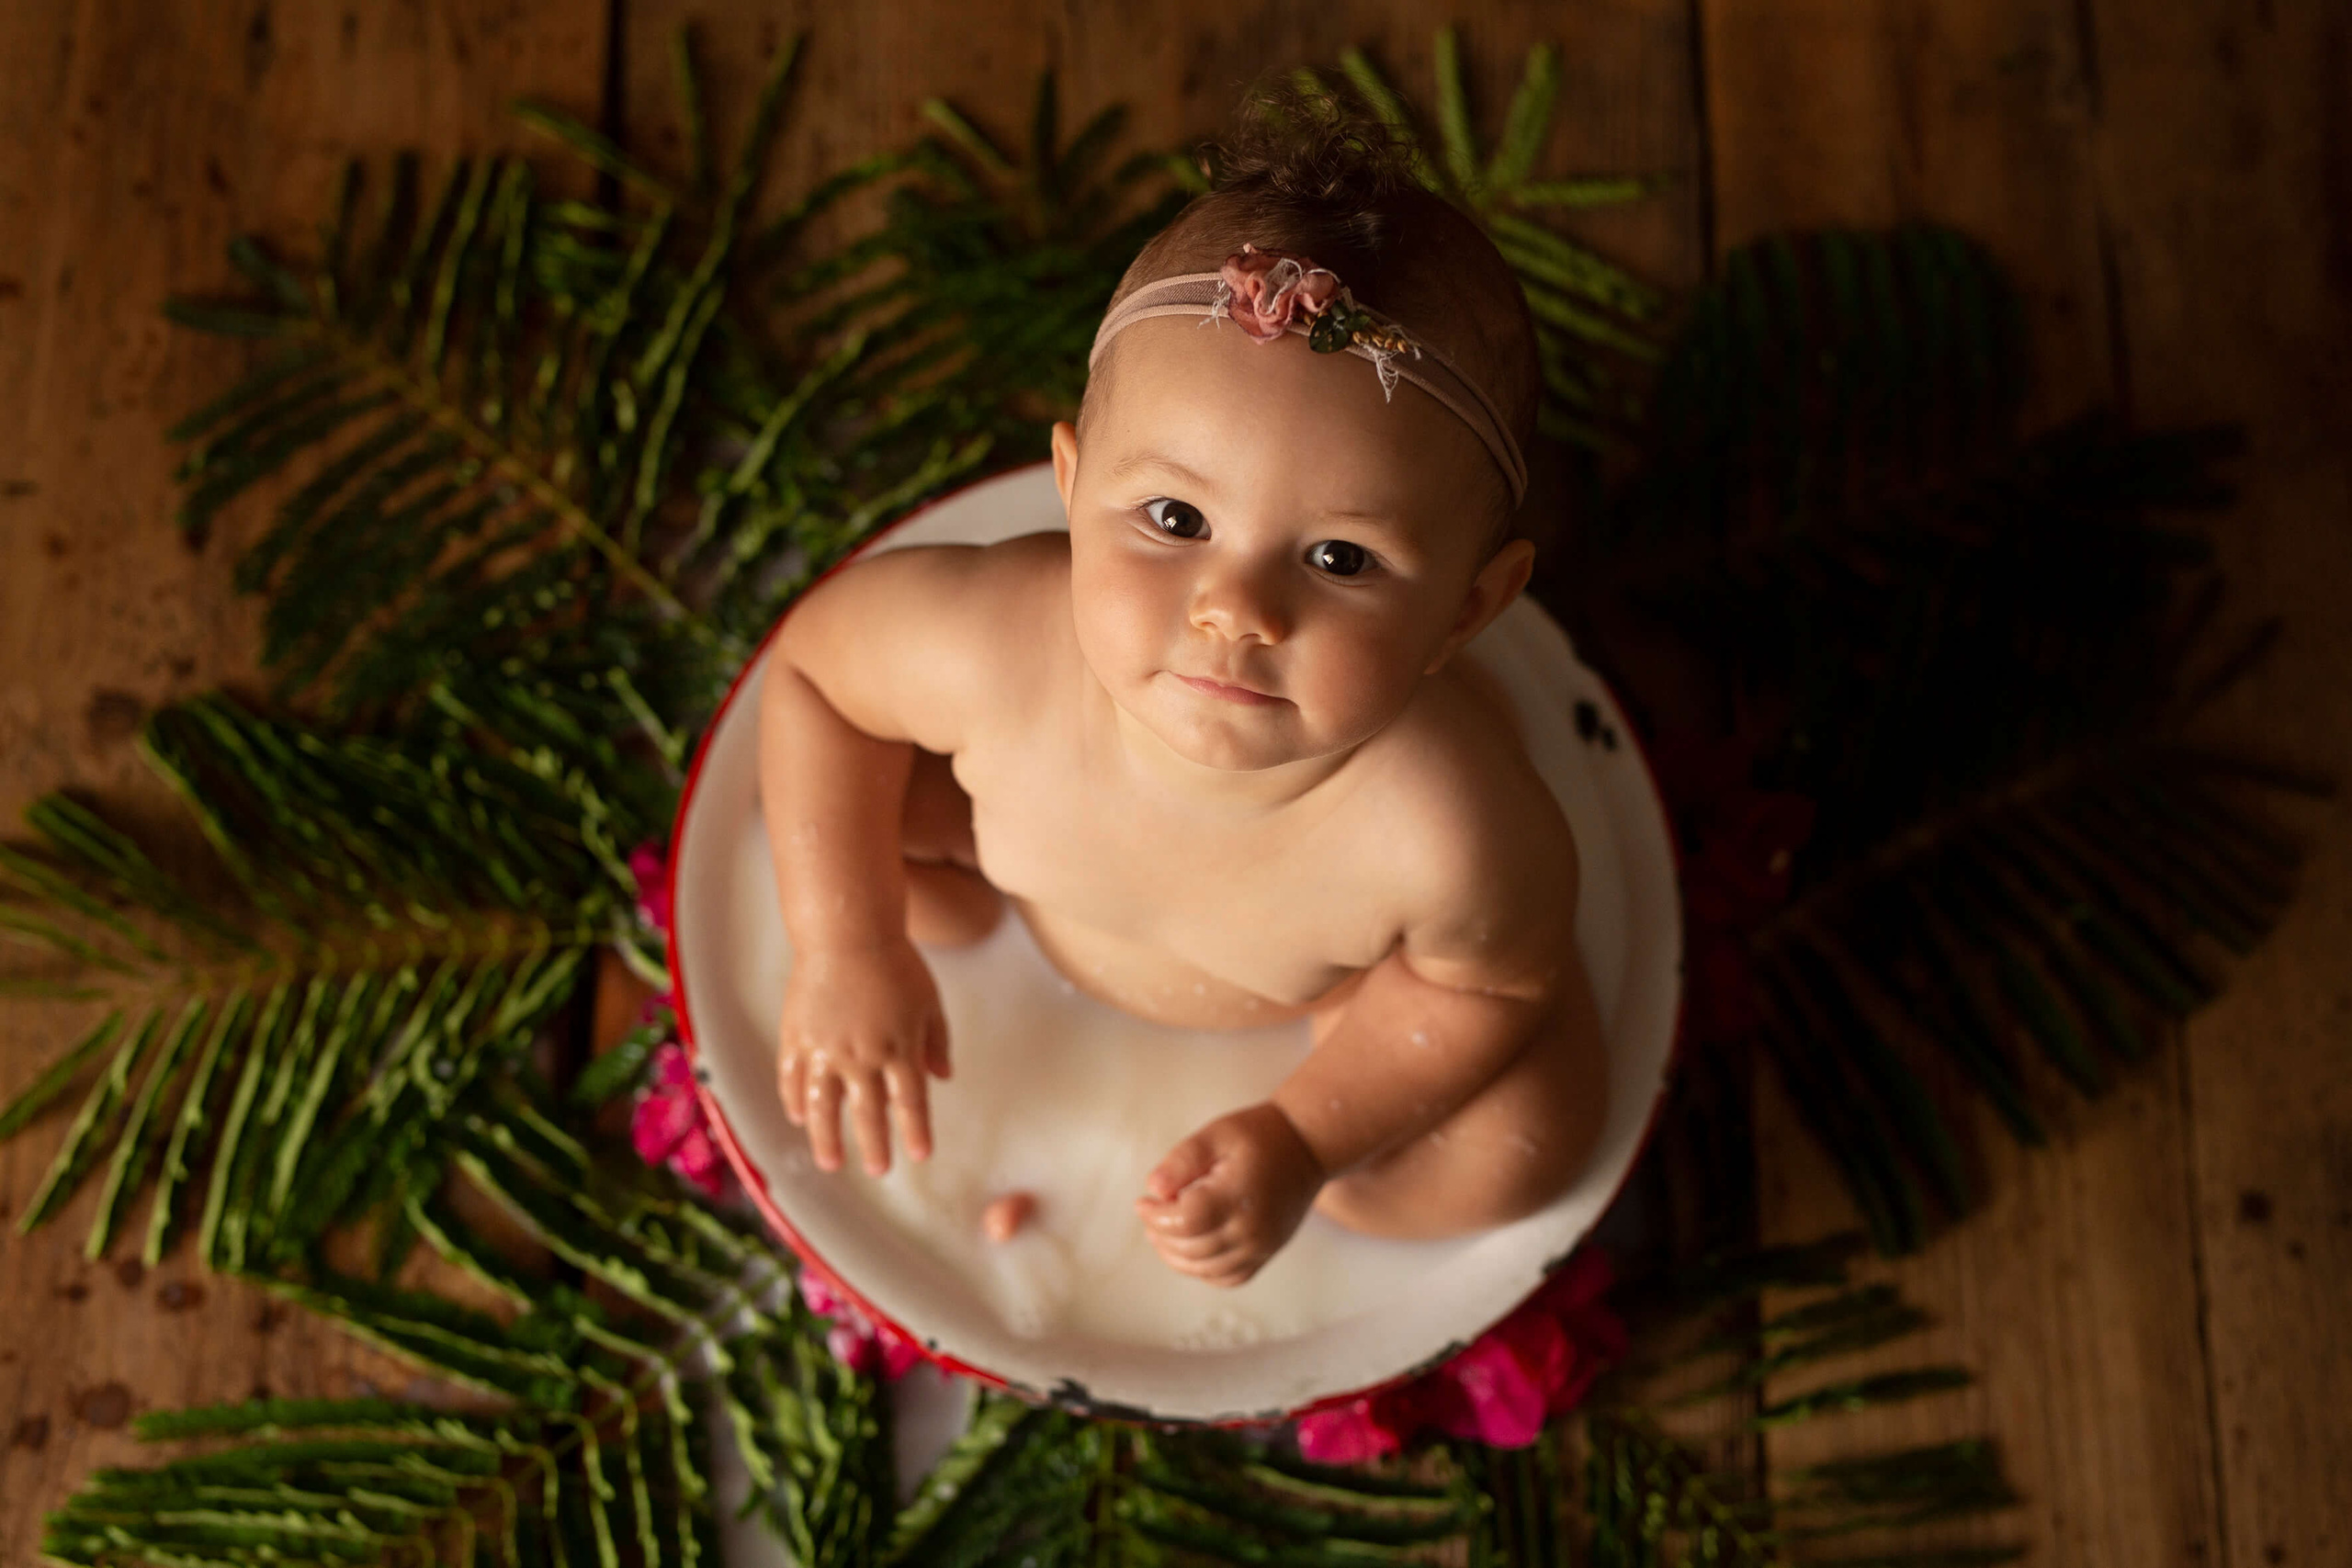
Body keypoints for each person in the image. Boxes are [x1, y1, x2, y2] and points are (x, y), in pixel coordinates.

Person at [757, 80, 1605, 1290]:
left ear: (1466, 609)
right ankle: (915, 916)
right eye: (1173, 516)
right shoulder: (990, 648)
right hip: (1033, 876)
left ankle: (1340, 1156)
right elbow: (813, 675)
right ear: (1070, 479)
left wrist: (1310, 1132)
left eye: (1340, 559)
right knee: (843, 815)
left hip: (1317, 993)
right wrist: (845, 943)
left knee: (1527, 1146)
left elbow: (1493, 983)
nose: (1238, 610)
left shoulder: (1448, 829)